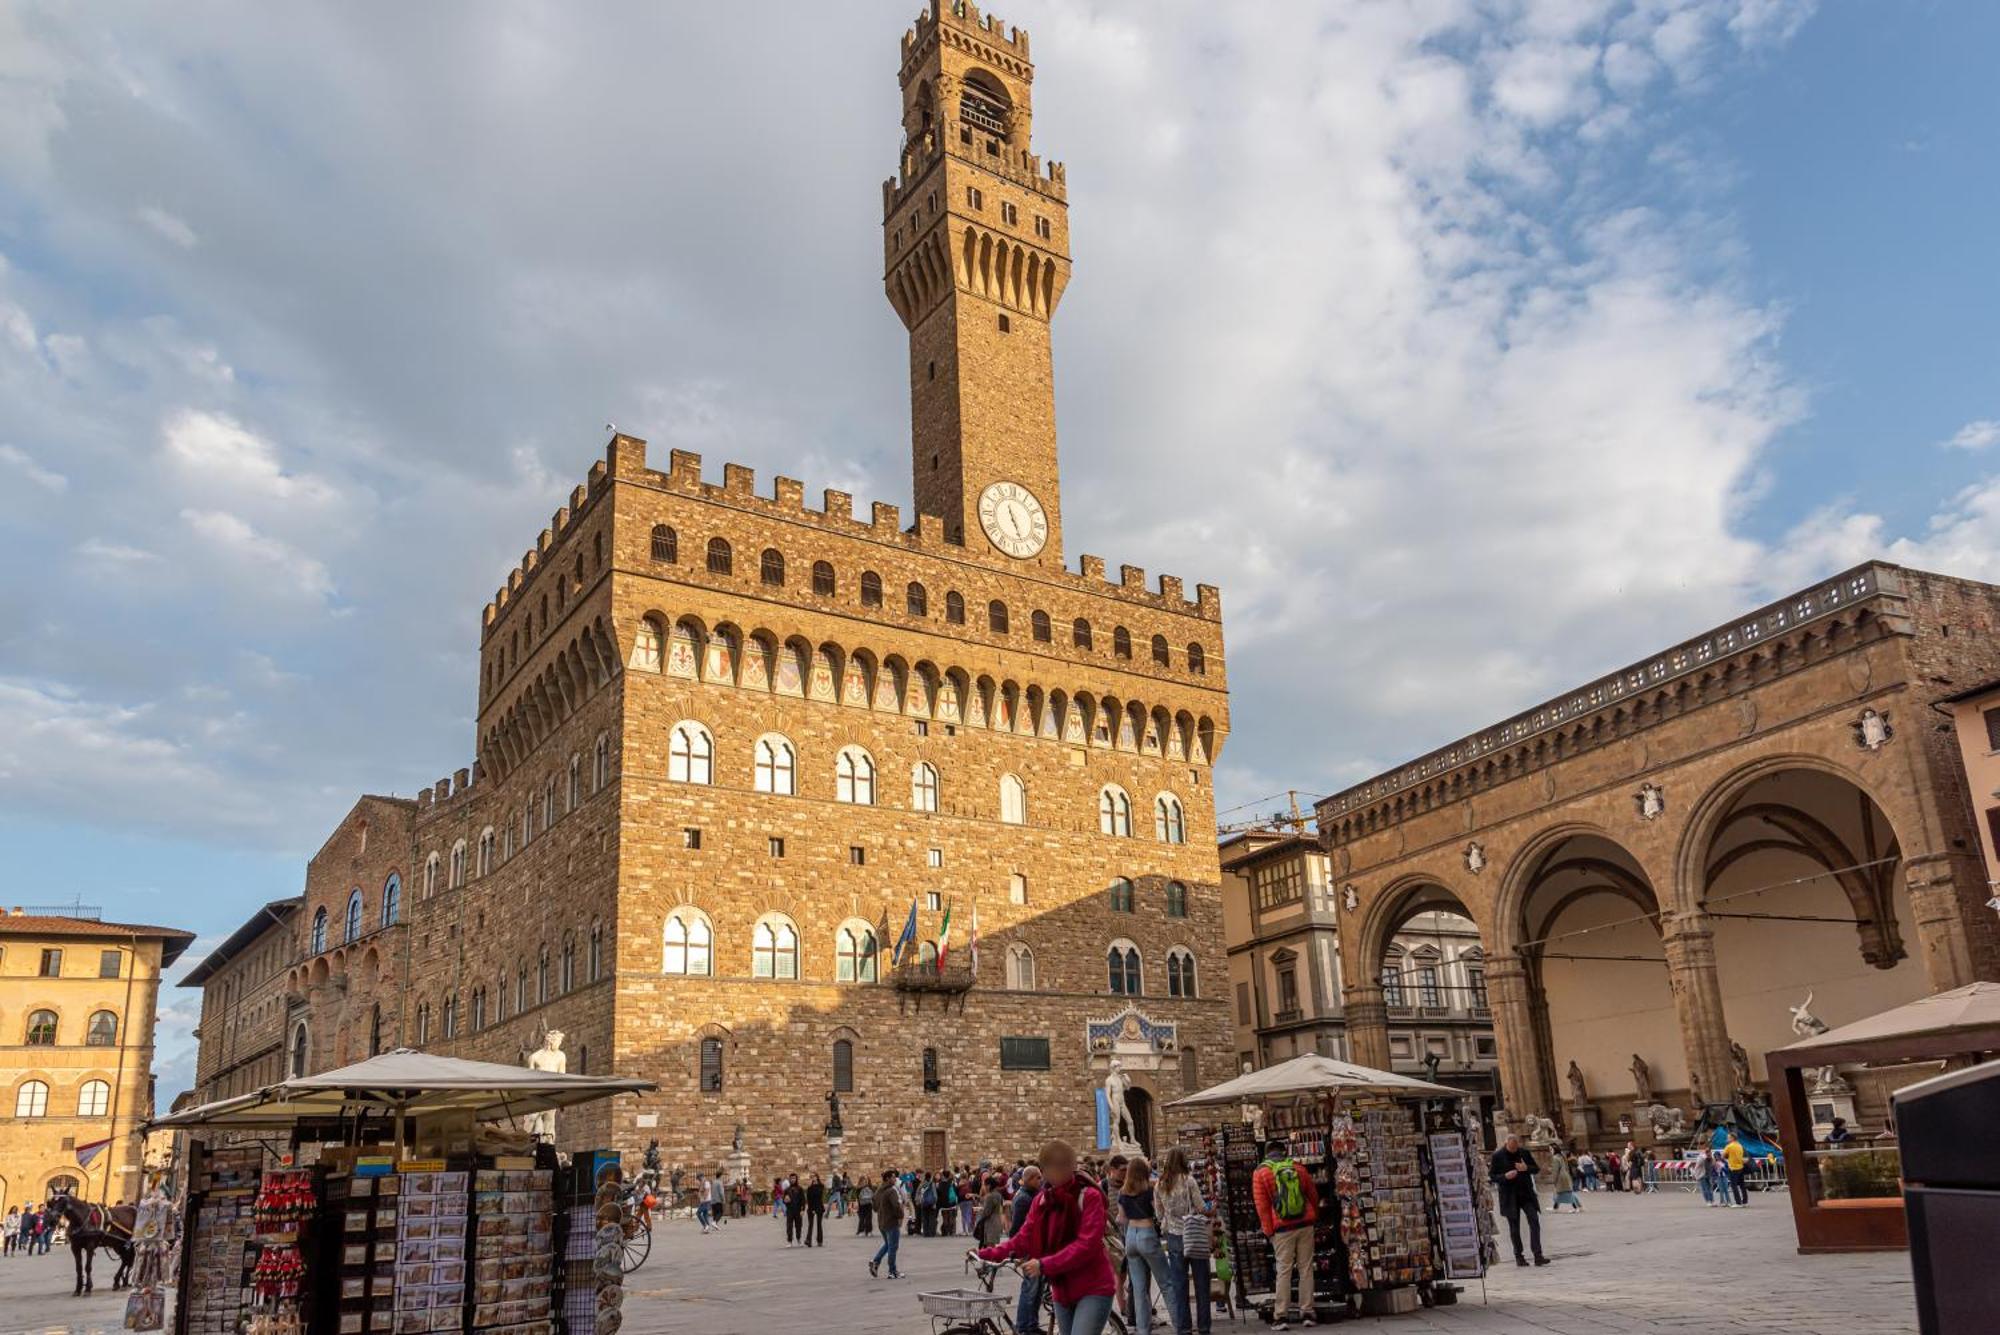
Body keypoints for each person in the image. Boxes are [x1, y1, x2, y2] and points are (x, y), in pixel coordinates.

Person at [975, 1139, 1118, 1335]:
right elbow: (1023, 1237)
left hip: (1093, 1286)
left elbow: (1087, 1244)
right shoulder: (1041, 1201)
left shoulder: (1089, 1196)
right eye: (1055, 1167)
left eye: (1065, 1165)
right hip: (1062, 1290)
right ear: (1045, 1170)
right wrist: (987, 1253)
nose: (1060, 1171)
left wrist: (1044, 1264)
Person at [1252, 1138, 1318, 1330]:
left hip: (1282, 1228)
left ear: (1267, 1153)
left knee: (1284, 1270)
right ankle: (1307, 1312)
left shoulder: (1261, 1172)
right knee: (1306, 1268)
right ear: (1284, 1152)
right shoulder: (1297, 1168)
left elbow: (1262, 1206)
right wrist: (1314, 1215)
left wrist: (1268, 1230)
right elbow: (1312, 1193)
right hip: (1305, 1223)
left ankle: (1281, 1316)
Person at [1116, 1157, 1180, 1335]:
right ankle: (1180, 1325)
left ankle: (1143, 1329)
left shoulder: (1122, 1192)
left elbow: (1121, 1219)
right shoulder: (1149, 1189)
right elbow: (1159, 1214)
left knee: (1138, 1288)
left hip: (1131, 1237)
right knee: (1166, 1283)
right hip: (1147, 1233)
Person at [1157, 1147, 1210, 1335]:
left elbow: (1159, 1213)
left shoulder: (1161, 1184)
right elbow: (1201, 1207)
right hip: (1193, 1234)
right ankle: (1203, 1326)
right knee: (1202, 1283)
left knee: (1179, 1285)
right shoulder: (1189, 1181)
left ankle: (1184, 1327)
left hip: (1174, 1236)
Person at [1488, 1132, 1549, 1268]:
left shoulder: (1524, 1153)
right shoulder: (1498, 1156)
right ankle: (1519, 1257)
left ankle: (1538, 1255)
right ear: (1506, 1144)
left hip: (1526, 1194)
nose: (1514, 1149)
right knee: (1514, 1228)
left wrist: (1526, 1168)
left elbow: (1536, 1169)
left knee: (1534, 1221)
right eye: (1511, 1147)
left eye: (1516, 1147)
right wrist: (1505, 1176)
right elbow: (1492, 1176)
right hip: (1510, 1197)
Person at [1010, 1166, 1046, 1335]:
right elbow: (1017, 1228)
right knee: (1030, 1290)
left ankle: (1032, 1324)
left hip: (1036, 1250)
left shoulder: (1031, 1196)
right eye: (1038, 1178)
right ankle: (1023, 1326)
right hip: (1028, 1251)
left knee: (1037, 1291)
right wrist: (1018, 1252)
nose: (1041, 1181)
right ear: (1030, 1178)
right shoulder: (1024, 1199)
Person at [870, 1169, 906, 1279]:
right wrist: (900, 1215)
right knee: (893, 1247)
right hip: (891, 1222)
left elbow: (875, 1207)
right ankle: (892, 1271)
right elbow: (896, 1206)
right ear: (888, 1179)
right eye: (893, 1177)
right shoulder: (891, 1191)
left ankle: (875, 1261)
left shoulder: (879, 1191)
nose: (895, 1179)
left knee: (888, 1244)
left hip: (882, 1222)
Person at [1723, 1131, 1749, 1207]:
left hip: (1733, 1168)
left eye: (1728, 1137)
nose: (1727, 1139)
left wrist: (1728, 1156)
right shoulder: (1740, 1145)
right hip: (1740, 1167)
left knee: (1734, 1185)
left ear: (1732, 1138)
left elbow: (1723, 1155)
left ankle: (1738, 1202)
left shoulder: (1729, 1146)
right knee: (1742, 1185)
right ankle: (1745, 1201)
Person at [805, 1173, 827, 1248]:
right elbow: (808, 1199)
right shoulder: (809, 1188)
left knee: (819, 1224)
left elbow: (818, 1196)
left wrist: (815, 1209)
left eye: (814, 1176)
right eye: (811, 1177)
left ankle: (820, 1241)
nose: (813, 1178)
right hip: (811, 1207)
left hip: (818, 1207)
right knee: (810, 1225)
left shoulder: (821, 1186)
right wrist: (810, 1187)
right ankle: (808, 1240)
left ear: (817, 1177)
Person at [784, 1175, 806, 1246]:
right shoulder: (787, 1189)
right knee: (789, 1226)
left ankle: (799, 1239)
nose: (793, 1180)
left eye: (794, 1178)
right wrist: (785, 1200)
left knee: (798, 1225)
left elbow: (803, 1200)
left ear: (796, 1179)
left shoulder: (800, 1189)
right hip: (790, 1210)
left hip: (798, 1210)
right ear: (789, 1179)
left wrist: (802, 1209)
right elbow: (784, 1199)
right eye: (791, 1178)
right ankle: (789, 1241)